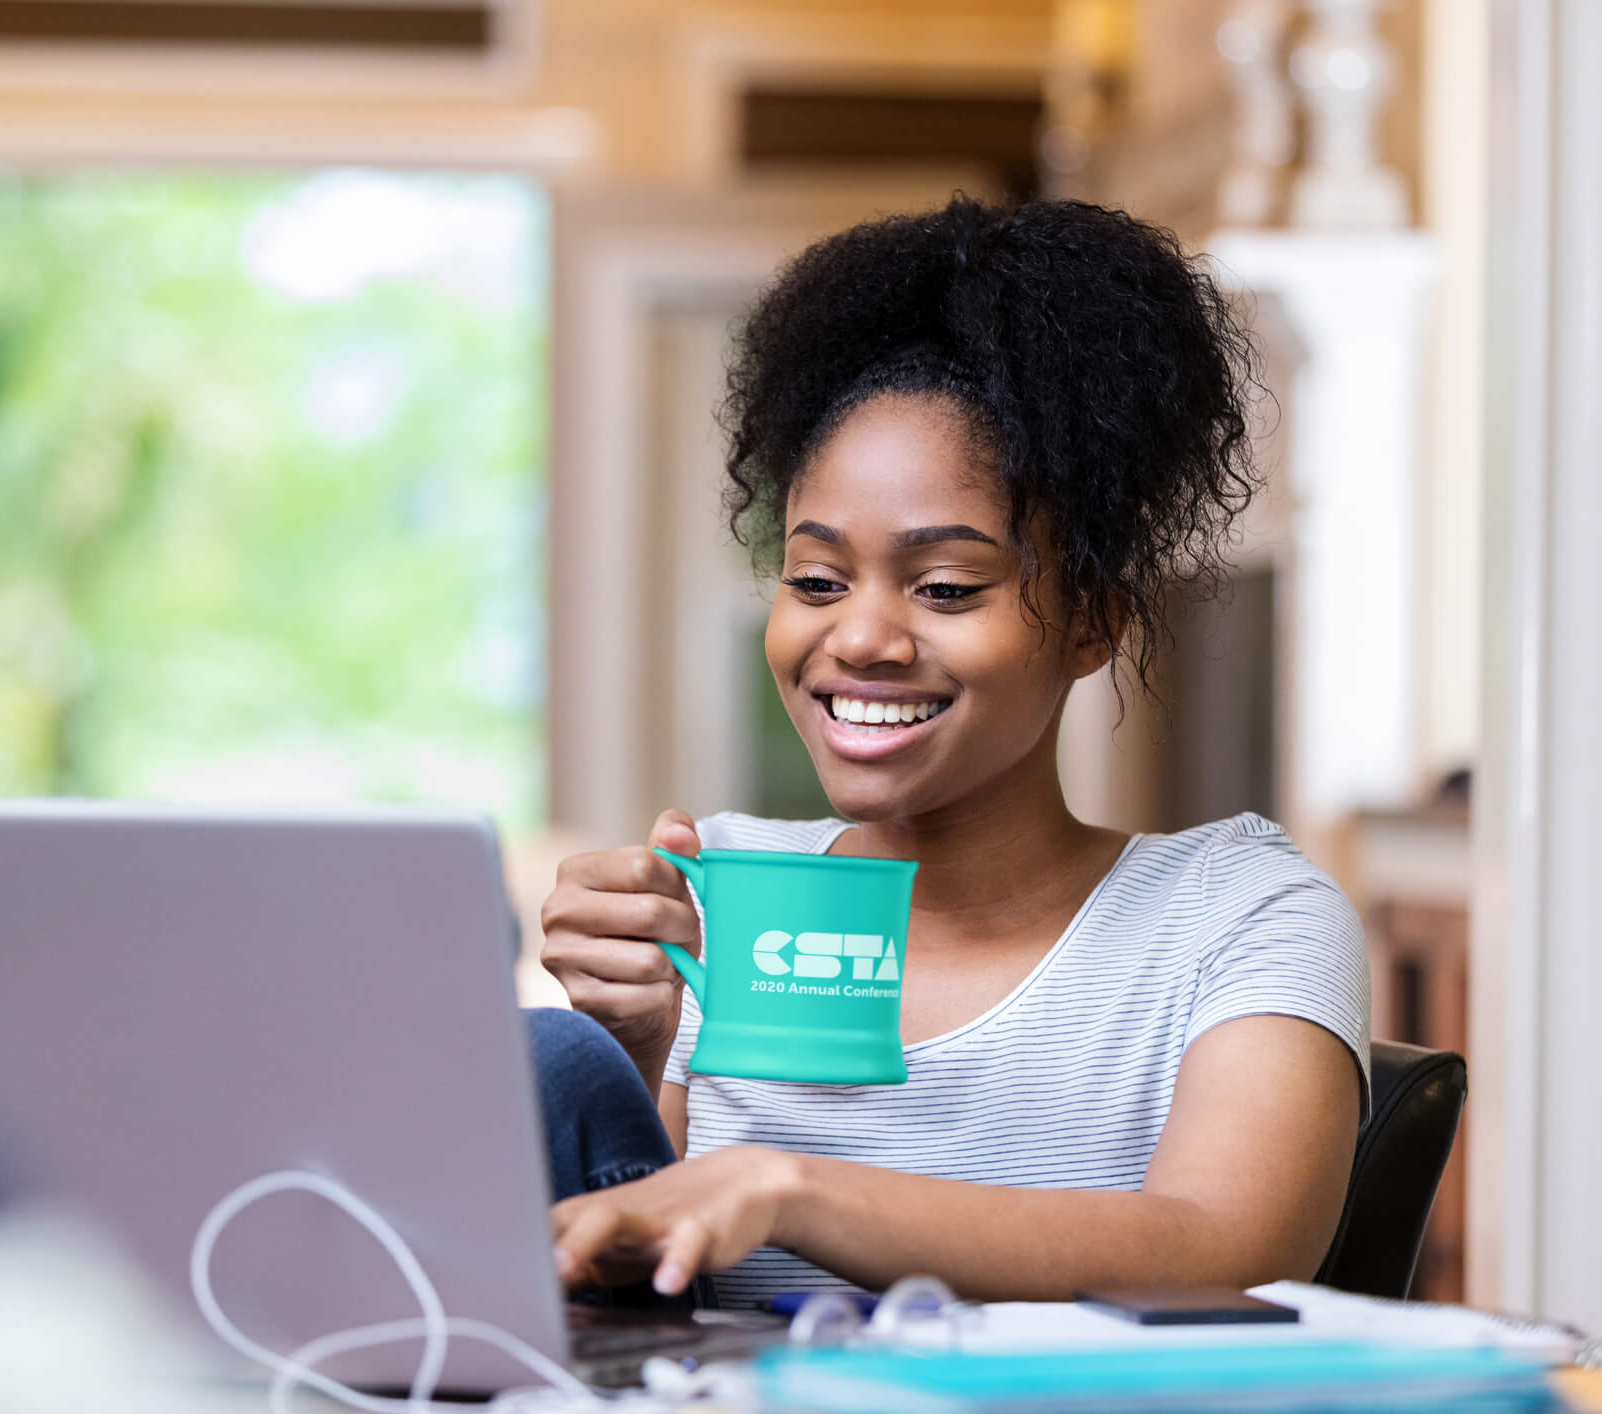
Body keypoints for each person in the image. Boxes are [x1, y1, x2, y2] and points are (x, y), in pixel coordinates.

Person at [533, 196, 1370, 1309]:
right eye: (817, 580)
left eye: (945, 587)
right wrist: (626, 1058)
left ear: (1092, 621)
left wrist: (789, 1187)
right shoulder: (714, 901)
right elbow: (620, 1297)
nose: (862, 638)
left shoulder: (1238, 916)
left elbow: (1227, 1247)